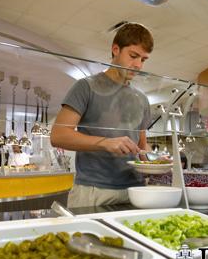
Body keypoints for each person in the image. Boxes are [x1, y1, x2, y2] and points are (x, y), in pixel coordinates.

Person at [51, 23, 154, 208]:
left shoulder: (142, 99)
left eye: (144, 60)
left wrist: (153, 161)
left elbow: (141, 144)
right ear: (116, 49)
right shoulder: (86, 87)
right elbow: (58, 136)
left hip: (136, 190)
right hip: (94, 190)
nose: (138, 65)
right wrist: (105, 142)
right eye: (133, 56)